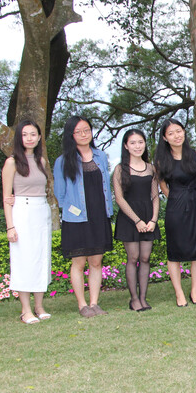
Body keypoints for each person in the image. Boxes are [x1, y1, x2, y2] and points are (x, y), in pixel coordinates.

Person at [53, 116, 113, 317]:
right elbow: (60, 195)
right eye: (79, 131)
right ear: (71, 135)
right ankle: (82, 305)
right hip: (76, 219)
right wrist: (73, 210)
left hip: (99, 215)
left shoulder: (101, 156)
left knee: (96, 262)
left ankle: (95, 303)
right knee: (78, 263)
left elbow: (106, 186)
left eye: (87, 130)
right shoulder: (62, 161)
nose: (84, 134)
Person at [154, 119, 196, 306]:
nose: (176, 135)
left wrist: (190, 197)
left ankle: (194, 292)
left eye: (179, 131)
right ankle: (179, 294)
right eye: (171, 133)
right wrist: (177, 198)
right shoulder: (162, 161)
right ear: (165, 137)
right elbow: (163, 186)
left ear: (184, 132)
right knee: (175, 252)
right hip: (175, 209)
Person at [2, 120, 52, 324]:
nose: (29, 138)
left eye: (33, 134)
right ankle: (25, 310)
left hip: (42, 211)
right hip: (22, 212)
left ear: (39, 137)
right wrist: (10, 226)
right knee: (24, 259)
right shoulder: (12, 162)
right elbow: (6, 197)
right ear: (19, 138)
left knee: (41, 258)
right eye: (25, 134)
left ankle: (39, 306)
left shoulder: (42, 161)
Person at [112, 129, 160, 311]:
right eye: (133, 143)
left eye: (140, 142)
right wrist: (137, 221)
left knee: (145, 258)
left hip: (148, 217)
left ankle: (143, 297)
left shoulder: (151, 168)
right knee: (133, 258)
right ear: (126, 146)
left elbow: (155, 196)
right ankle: (133, 299)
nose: (137, 146)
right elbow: (119, 198)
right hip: (129, 218)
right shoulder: (119, 169)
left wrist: (153, 220)